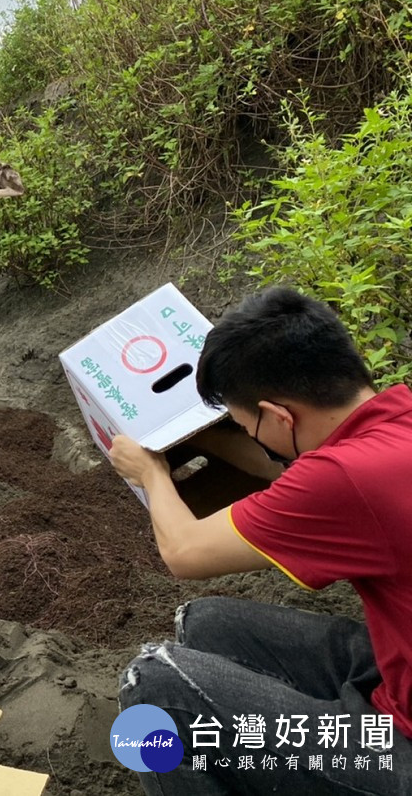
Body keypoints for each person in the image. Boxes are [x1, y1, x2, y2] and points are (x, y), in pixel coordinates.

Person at [109, 286, 412, 794]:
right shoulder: (393, 421)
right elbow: (292, 475)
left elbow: (182, 551)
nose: (250, 436)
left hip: (402, 749)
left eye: (246, 423)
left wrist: (151, 474)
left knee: (152, 686)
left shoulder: (342, 480)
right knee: (209, 624)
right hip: (396, 679)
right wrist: (204, 440)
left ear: (279, 415)